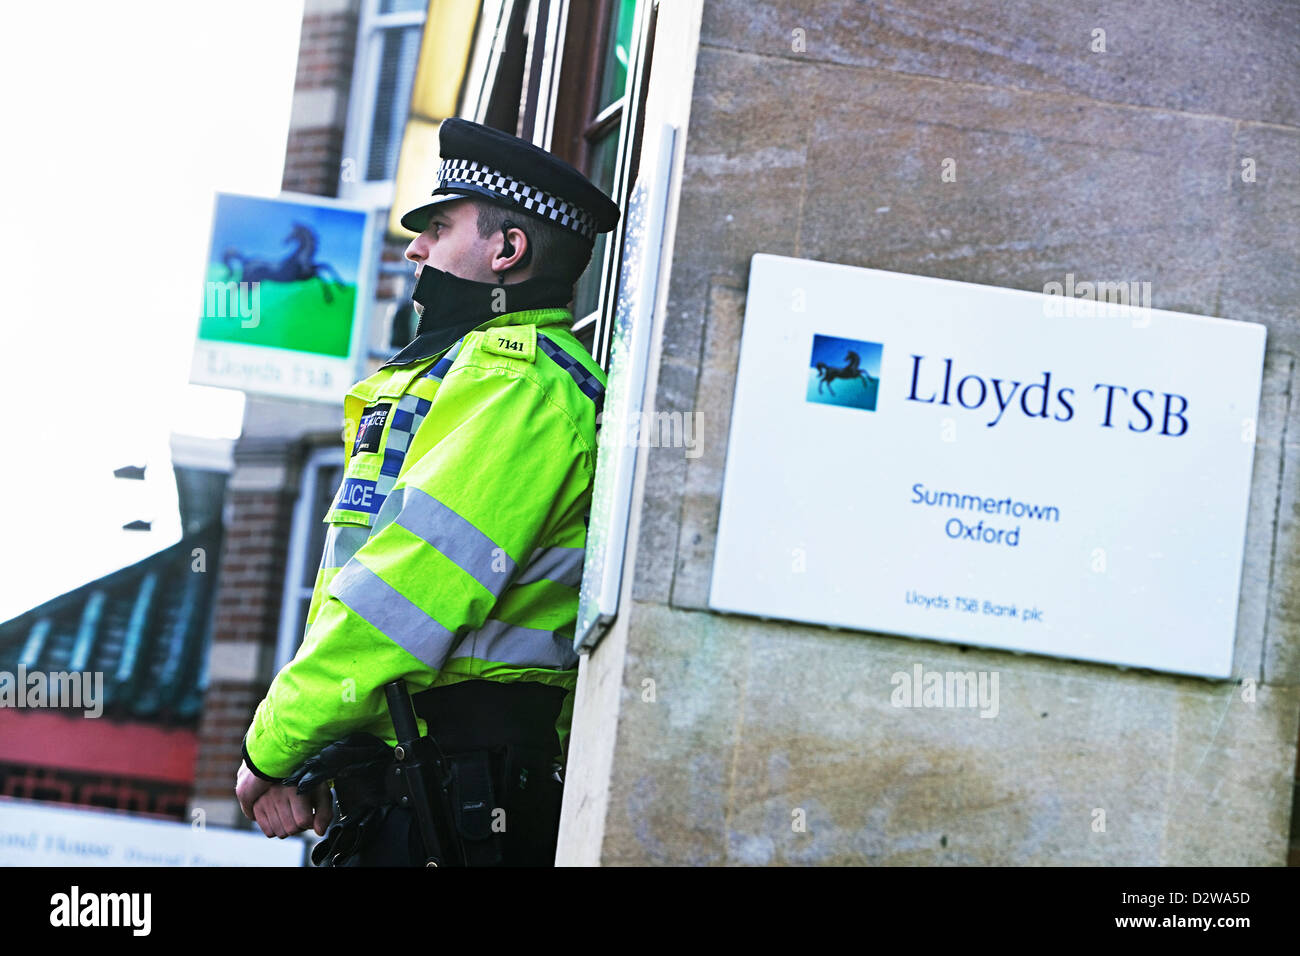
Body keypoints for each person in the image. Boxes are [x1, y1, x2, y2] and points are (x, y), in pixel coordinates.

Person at [233, 118, 620, 866]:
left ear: (507, 252)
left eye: (438, 228)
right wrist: (332, 746)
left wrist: (275, 743)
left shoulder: (518, 386)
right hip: (434, 787)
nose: (415, 249)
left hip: (458, 797)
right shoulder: (488, 377)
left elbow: (404, 592)